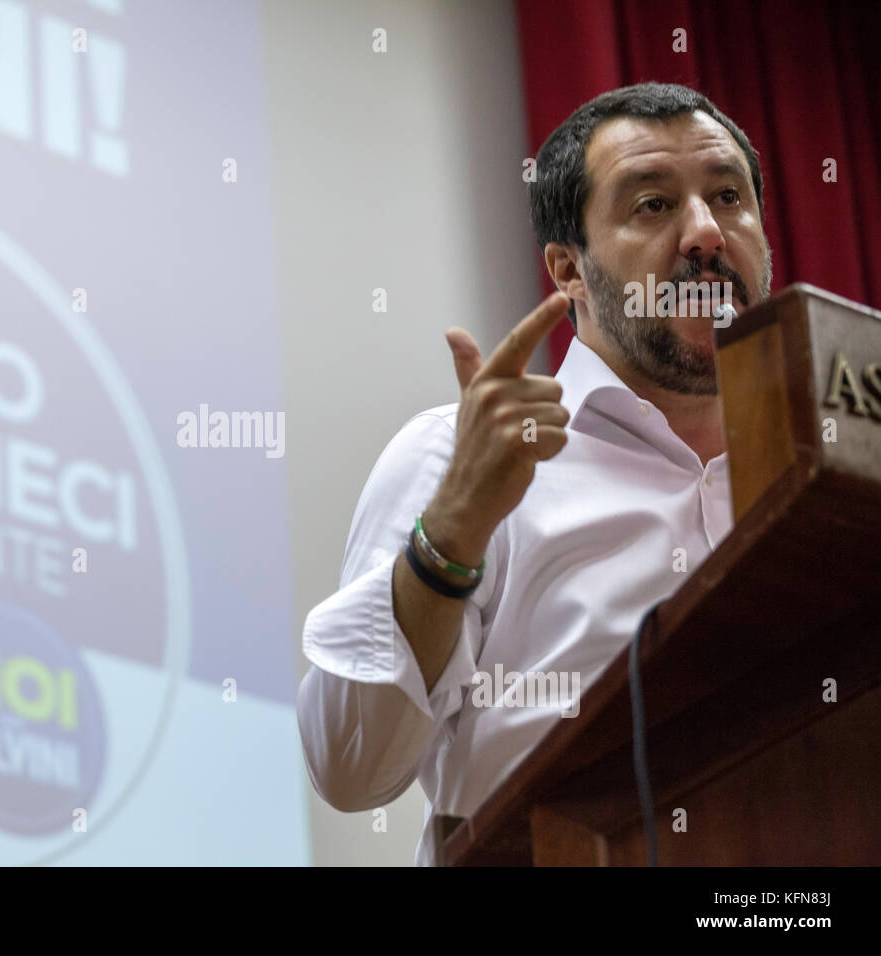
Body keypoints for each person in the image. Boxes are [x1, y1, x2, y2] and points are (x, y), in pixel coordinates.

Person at [295, 82, 774, 866]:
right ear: (568, 269)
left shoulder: (828, 464)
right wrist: (454, 527)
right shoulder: (458, 458)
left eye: (728, 196)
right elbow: (350, 769)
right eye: (652, 205)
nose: (704, 232)